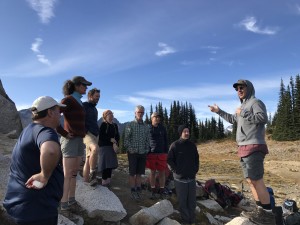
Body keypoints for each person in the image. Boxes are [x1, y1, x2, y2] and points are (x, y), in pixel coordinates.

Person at [208, 79, 276, 225]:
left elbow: (263, 118)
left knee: (257, 180)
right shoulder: (242, 106)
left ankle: (268, 215)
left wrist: (244, 113)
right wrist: (219, 111)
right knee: (251, 181)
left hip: (254, 145)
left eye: (241, 87)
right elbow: (234, 120)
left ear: (249, 88)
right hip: (243, 147)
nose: (239, 90)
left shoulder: (255, 102)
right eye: (237, 88)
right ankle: (260, 211)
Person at [3, 96, 65, 225]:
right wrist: (44, 175)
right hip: (37, 211)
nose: (60, 114)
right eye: (59, 111)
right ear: (50, 112)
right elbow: (50, 150)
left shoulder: (28, 130)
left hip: (19, 207)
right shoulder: (45, 131)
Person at [56, 76, 92, 215]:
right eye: (84, 85)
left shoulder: (79, 101)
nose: (86, 87)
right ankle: (63, 205)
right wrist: (63, 133)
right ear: (76, 85)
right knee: (67, 174)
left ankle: (71, 201)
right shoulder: (68, 100)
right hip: (70, 141)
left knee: (73, 174)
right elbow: (54, 115)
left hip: (78, 140)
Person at [167, 125, 199, 225]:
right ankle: (186, 221)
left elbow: (196, 159)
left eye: (188, 131)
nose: (187, 133)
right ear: (180, 133)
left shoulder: (192, 145)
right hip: (180, 179)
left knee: (192, 202)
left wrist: (195, 170)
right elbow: (169, 160)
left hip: (191, 178)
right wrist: (175, 171)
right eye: (185, 131)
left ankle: (192, 221)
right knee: (182, 202)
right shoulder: (175, 145)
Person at [124, 105, 150, 200]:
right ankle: (133, 190)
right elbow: (126, 140)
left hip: (143, 153)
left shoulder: (146, 126)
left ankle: (138, 189)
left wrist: (147, 149)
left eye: (142, 112)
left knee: (139, 173)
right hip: (133, 153)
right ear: (135, 113)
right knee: (132, 173)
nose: (141, 114)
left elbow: (148, 140)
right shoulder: (130, 125)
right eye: (139, 112)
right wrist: (131, 149)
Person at [146, 112, 169, 199]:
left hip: (162, 153)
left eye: (158, 117)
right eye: (155, 117)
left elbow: (166, 140)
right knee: (152, 172)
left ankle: (162, 191)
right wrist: (147, 151)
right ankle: (153, 191)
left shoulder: (162, 128)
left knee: (162, 172)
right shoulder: (148, 128)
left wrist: (166, 152)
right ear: (152, 118)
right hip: (151, 153)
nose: (157, 118)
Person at [82, 88, 101, 186]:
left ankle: (85, 181)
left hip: (95, 134)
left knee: (88, 158)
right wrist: (84, 131)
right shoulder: (84, 105)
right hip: (87, 134)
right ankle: (93, 174)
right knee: (95, 149)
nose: (98, 98)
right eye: (96, 96)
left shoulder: (95, 109)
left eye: (99, 97)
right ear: (90, 96)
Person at [98, 110, 119, 186]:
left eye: (111, 113)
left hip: (111, 147)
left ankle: (108, 180)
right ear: (105, 116)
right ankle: (104, 180)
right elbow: (101, 136)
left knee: (110, 164)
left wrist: (116, 144)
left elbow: (117, 136)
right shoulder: (103, 124)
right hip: (104, 147)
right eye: (109, 114)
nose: (111, 115)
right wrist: (110, 139)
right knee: (105, 165)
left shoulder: (115, 125)